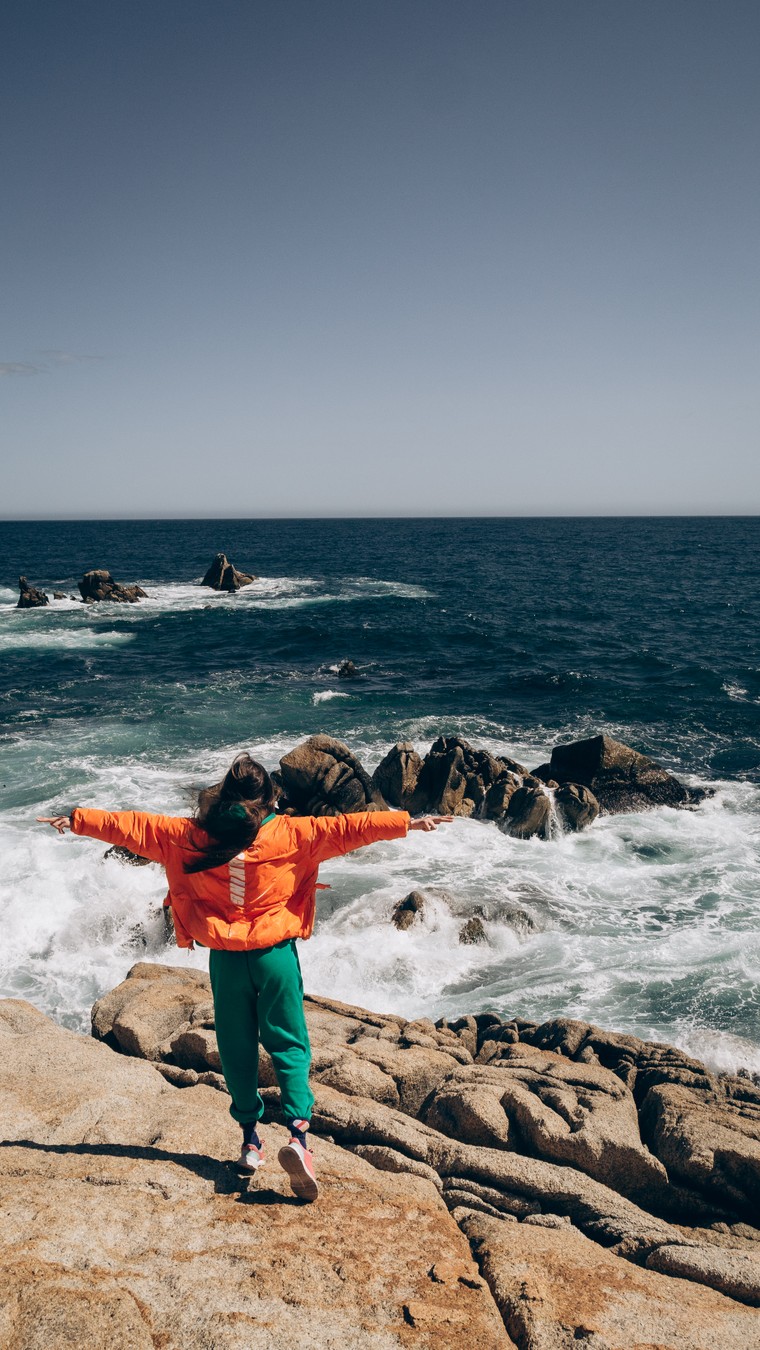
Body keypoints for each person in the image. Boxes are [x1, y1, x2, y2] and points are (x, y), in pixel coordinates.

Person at [38, 752, 451, 1202]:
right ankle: (297, 1138)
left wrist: (76, 820)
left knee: (236, 1046)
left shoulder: (190, 836)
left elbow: (133, 826)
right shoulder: (295, 833)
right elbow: (350, 829)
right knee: (289, 1044)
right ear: (268, 796)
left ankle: (251, 1140)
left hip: (226, 960)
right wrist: (409, 823)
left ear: (226, 795)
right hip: (274, 958)